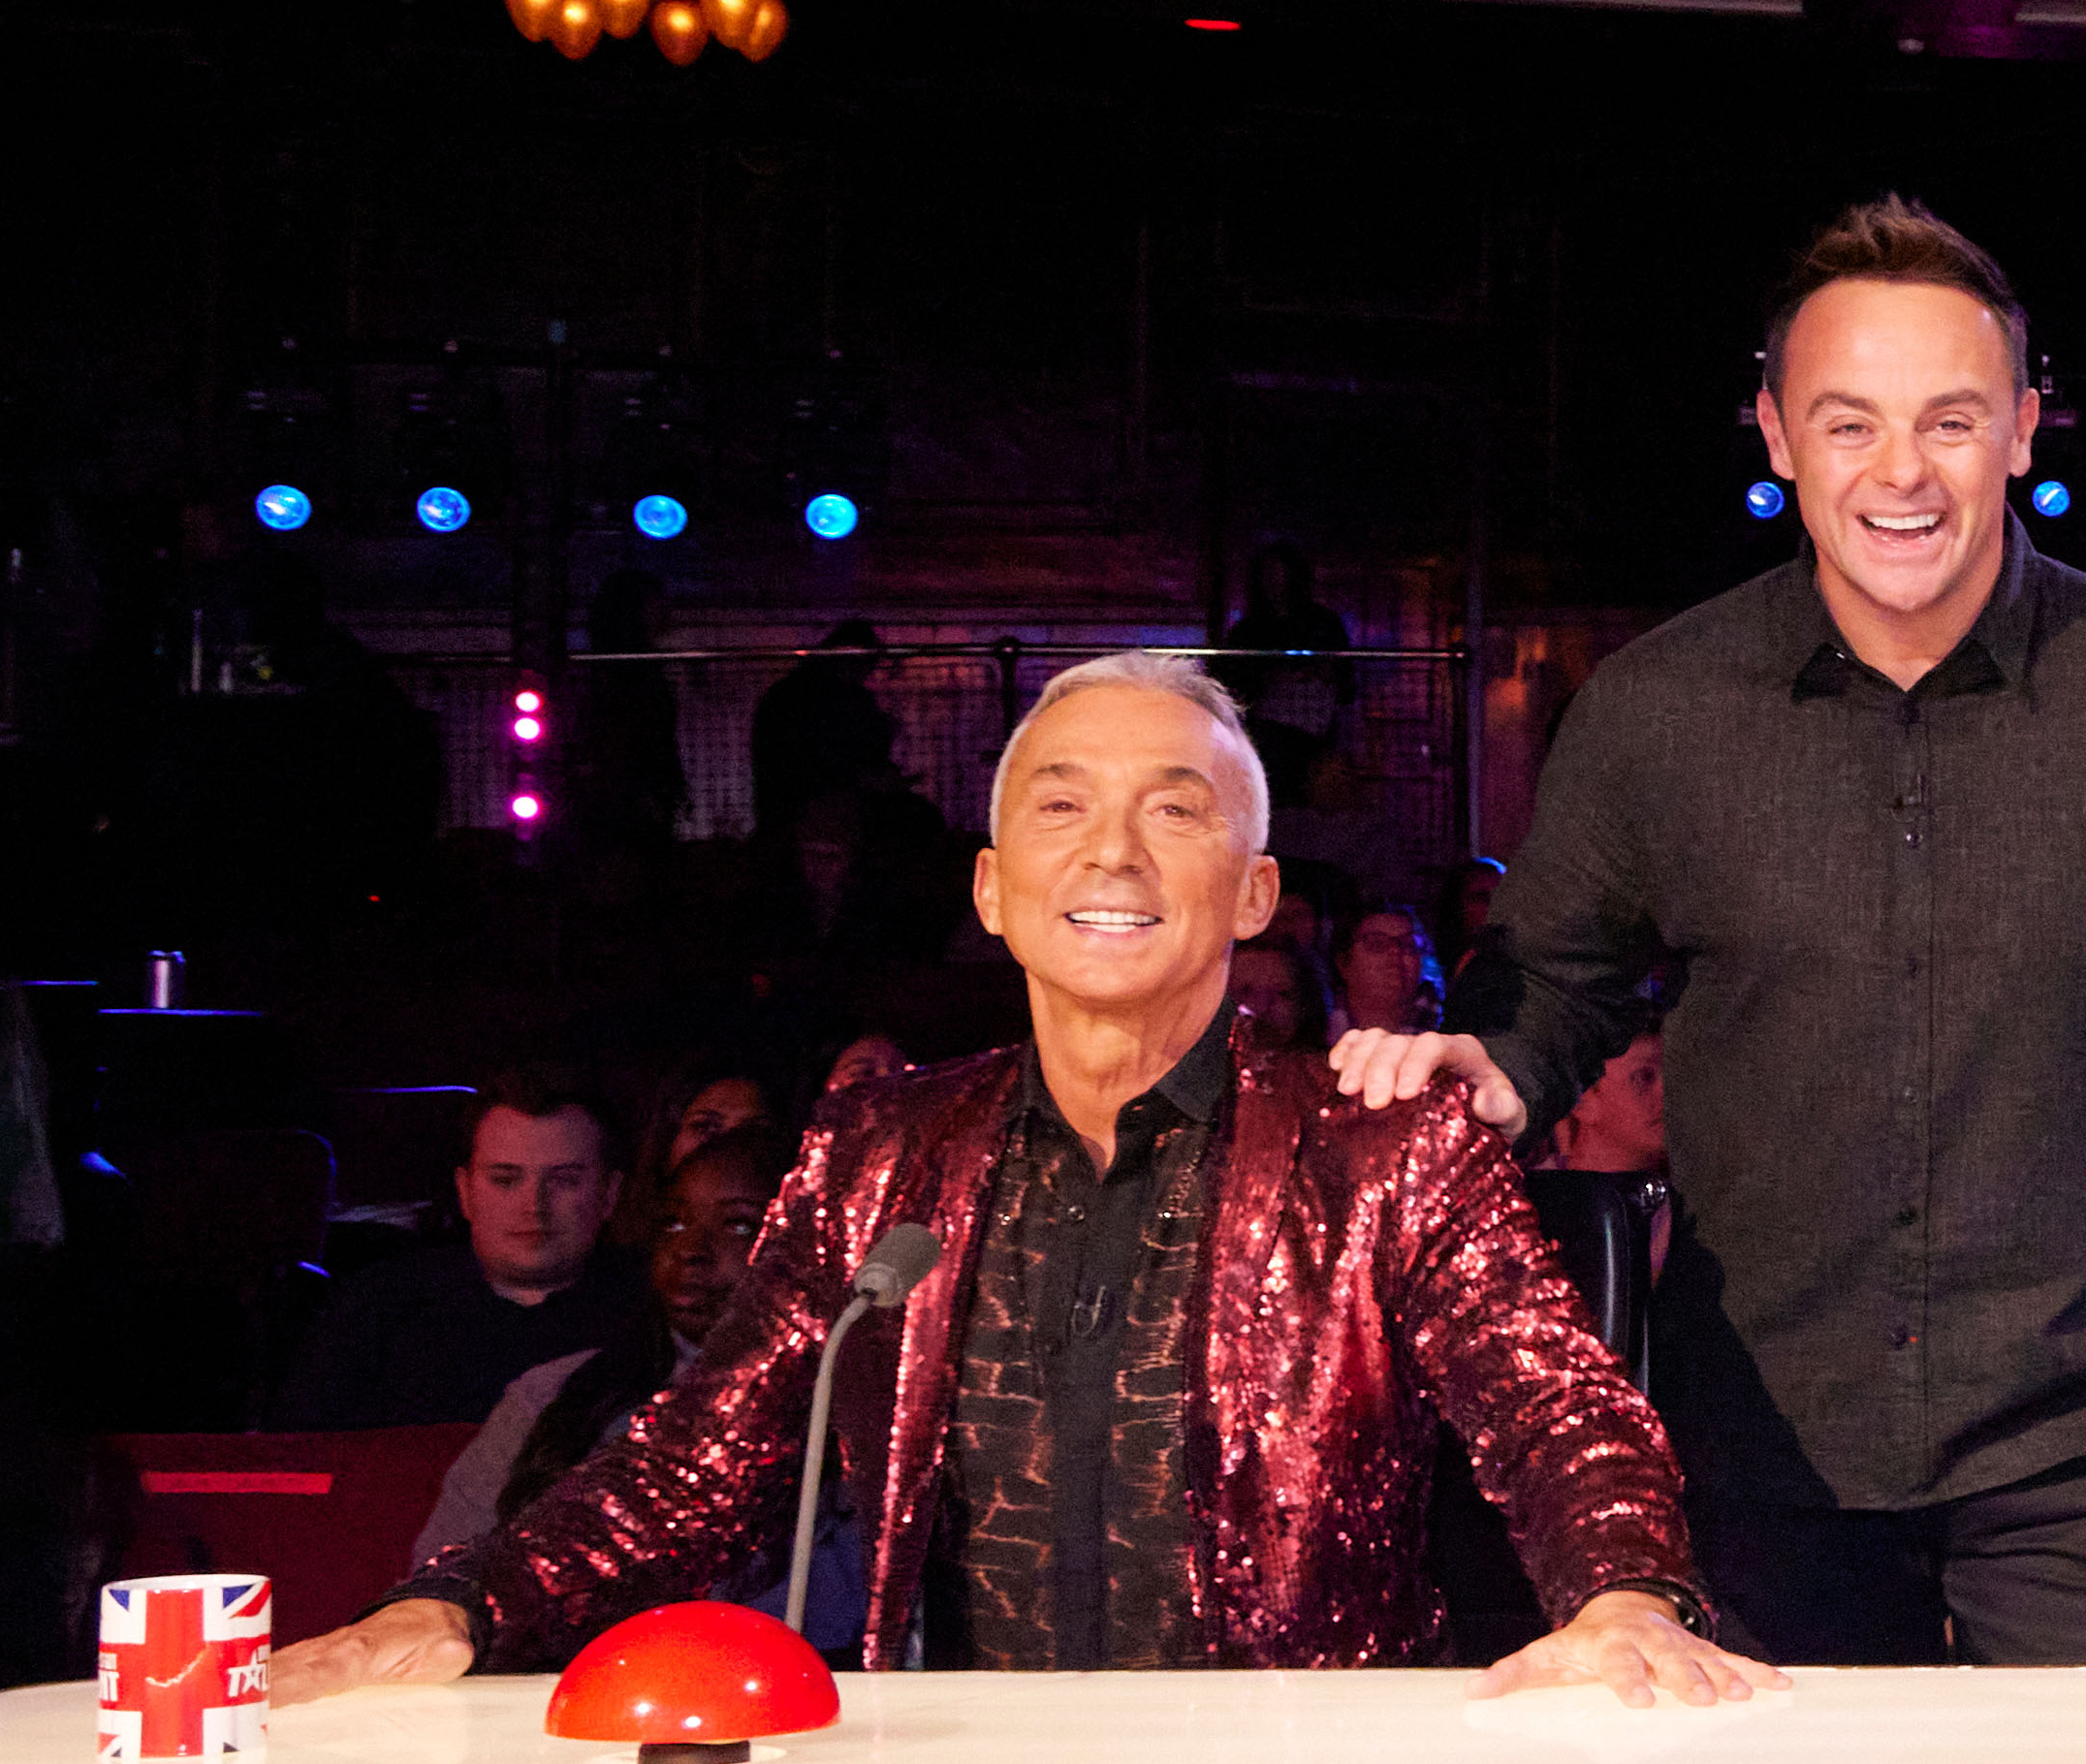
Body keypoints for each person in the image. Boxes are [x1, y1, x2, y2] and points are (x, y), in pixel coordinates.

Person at [1331, 200, 2086, 1660]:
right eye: (1848, 422)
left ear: (2022, 426)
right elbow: (1553, 976)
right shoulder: (1658, 710)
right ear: (1773, 433)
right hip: (1762, 1438)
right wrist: (1497, 1066)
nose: (1900, 472)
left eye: (1948, 421)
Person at [297, 660, 1754, 1700]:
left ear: (1252, 895)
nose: (1112, 848)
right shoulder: (882, 1153)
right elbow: (704, 1455)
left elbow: (1561, 1410)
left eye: (1175, 811)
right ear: (993, 889)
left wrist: (1625, 1592)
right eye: (1061, 809)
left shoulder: (1385, 1149)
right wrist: (459, 1600)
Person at [282, 1066, 666, 1430]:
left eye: (564, 1180)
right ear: (465, 1191)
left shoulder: (662, 1306)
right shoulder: (376, 1308)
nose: (534, 1205)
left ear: (610, 1194)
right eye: (505, 1180)